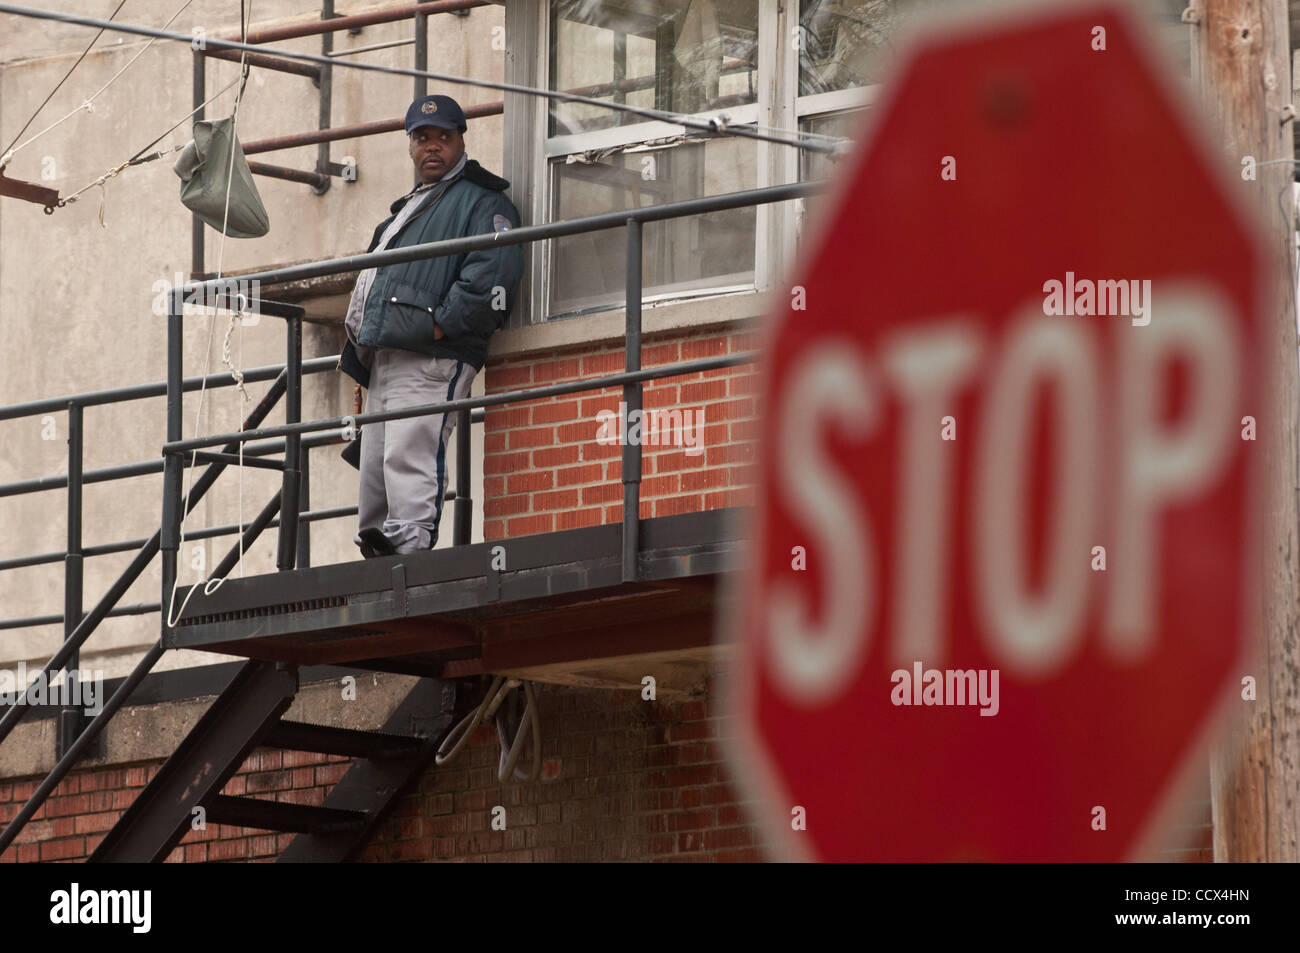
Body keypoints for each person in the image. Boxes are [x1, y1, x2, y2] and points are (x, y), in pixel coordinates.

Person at [339, 93, 523, 558]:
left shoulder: (483, 201)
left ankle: (410, 545)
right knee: (378, 460)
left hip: (431, 355)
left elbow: (491, 280)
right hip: (387, 355)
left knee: (409, 450)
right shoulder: (410, 205)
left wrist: (437, 328)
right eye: (423, 138)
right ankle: (377, 547)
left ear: (461, 139)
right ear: (410, 146)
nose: (433, 146)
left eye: (444, 136)